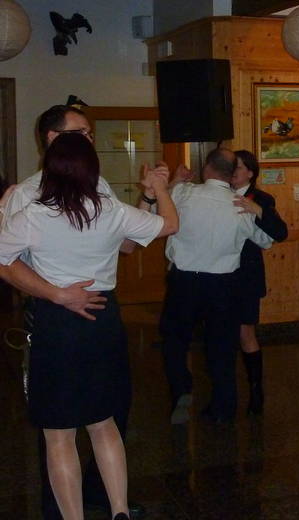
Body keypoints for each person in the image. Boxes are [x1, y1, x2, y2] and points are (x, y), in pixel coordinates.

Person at [0, 133, 178, 520]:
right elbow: (169, 225)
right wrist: (160, 189)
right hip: (103, 317)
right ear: (91, 170)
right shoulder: (111, 210)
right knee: (103, 422)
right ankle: (119, 511)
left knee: (59, 433)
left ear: (49, 169)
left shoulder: (34, 215)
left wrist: (57, 294)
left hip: (57, 321)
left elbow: (3, 261)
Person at [158, 148, 275, 424]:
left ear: (207, 168)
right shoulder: (240, 205)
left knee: (174, 340)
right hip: (223, 284)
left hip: (184, 280)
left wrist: (173, 181)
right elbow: (266, 241)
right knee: (222, 347)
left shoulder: (183, 193)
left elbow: (155, 210)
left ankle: (181, 389)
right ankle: (223, 408)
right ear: (231, 173)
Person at [230, 149, 288, 414]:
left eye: (238, 167)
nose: (233, 172)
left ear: (250, 173)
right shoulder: (219, 194)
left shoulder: (262, 198)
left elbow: (280, 233)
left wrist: (257, 211)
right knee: (221, 332)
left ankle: (256, 389)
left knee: (246, 332)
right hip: (219, 273)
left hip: (246, 273)